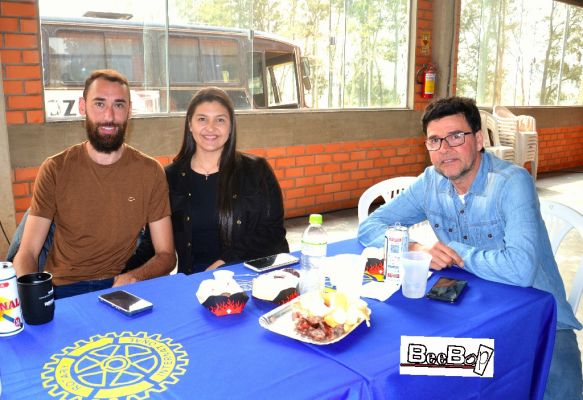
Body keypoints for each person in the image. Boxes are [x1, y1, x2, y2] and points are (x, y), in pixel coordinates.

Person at [358, 96, 582, 399]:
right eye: (435, 140)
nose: (444, 149)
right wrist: (414, 246)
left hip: (538, 320)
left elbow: (520, 270)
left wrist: (454, 252)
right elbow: (369, 227)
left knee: (558, 392)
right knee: (404, 372)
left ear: (478, 139)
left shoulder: (511, 182)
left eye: (455, 137)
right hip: (468, 315)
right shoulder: (430, 182)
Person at [12, 69, 176, 299]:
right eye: (99, 104)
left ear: (129, 110)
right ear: (82, 107)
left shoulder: (150, 172)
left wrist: (134, 278)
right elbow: (27, 251)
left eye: (118, 105)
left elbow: (167, 255)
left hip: (120, 286)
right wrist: (31, 295)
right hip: (62, 289)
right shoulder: (56, 169)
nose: (109, 116)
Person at [127, 87, 289, 274]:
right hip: (193, 284)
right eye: (202, 119)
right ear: (190, 124)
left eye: (220, 120)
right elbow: (152, 244)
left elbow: (272, 232)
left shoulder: (256, 171)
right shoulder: (169, 178)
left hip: (246, 277)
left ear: (231, 126)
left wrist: (224, 263)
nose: (210, 128)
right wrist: (122, 274)